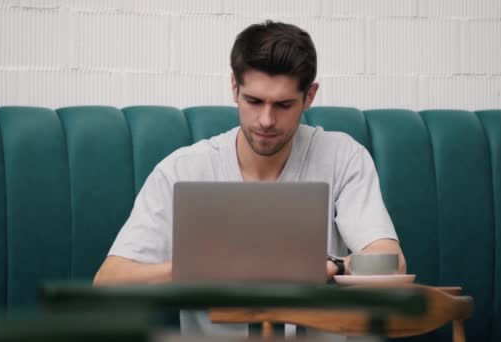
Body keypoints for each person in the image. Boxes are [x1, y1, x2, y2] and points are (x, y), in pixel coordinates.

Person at [94, 20, 406, 336]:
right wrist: (202, 268)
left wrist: (334, 266)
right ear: (234, 88)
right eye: (254, 101)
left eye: (283, 105)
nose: (266, 120)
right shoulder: (182, 171)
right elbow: (108, 284)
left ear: (309, 96)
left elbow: (391, 264)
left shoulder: (342, 157)